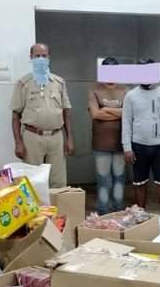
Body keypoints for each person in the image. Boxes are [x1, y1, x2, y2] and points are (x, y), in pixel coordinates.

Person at [11, 43, 74, 188]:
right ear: (31, 57)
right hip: (32, 137)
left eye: (44, 56)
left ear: (49, 58)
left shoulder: (59, 82)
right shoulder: (23, 83)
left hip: (56, 136)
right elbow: (15, 116)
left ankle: (56, 203)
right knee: (32, 181)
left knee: (58, 181)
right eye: (37, 56)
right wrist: (18, 143)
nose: (40, 59)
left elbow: (66, 112)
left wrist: (69, 139)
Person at [121, 59, 160, 208]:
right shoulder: (131, 96)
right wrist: (127, 147)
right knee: (139, 183)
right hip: (138, 145)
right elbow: (126, 122)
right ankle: (141, 214)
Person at [88, 56, 127, 214]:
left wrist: (106, 109)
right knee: (103, 179)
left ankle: (118, 208)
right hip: (101, 143)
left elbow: (128, 113)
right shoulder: (94, 89)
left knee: (119, 177)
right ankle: (103, 210)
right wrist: (118, 113)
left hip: (121, 142)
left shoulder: (125, 90)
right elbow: (95, 114)